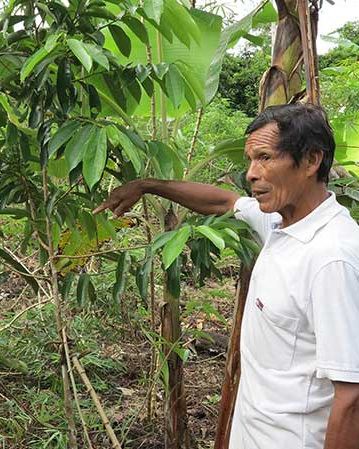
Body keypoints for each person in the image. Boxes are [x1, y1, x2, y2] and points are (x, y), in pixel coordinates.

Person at [93, 103, 359, 449]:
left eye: (265, 157)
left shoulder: (332, 257)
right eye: (250, 160)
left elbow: (351, 396)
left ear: (311, 160)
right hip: (254, 432)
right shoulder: (282, 223)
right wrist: (146, 186)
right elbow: (226, 202)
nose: (251, 173)